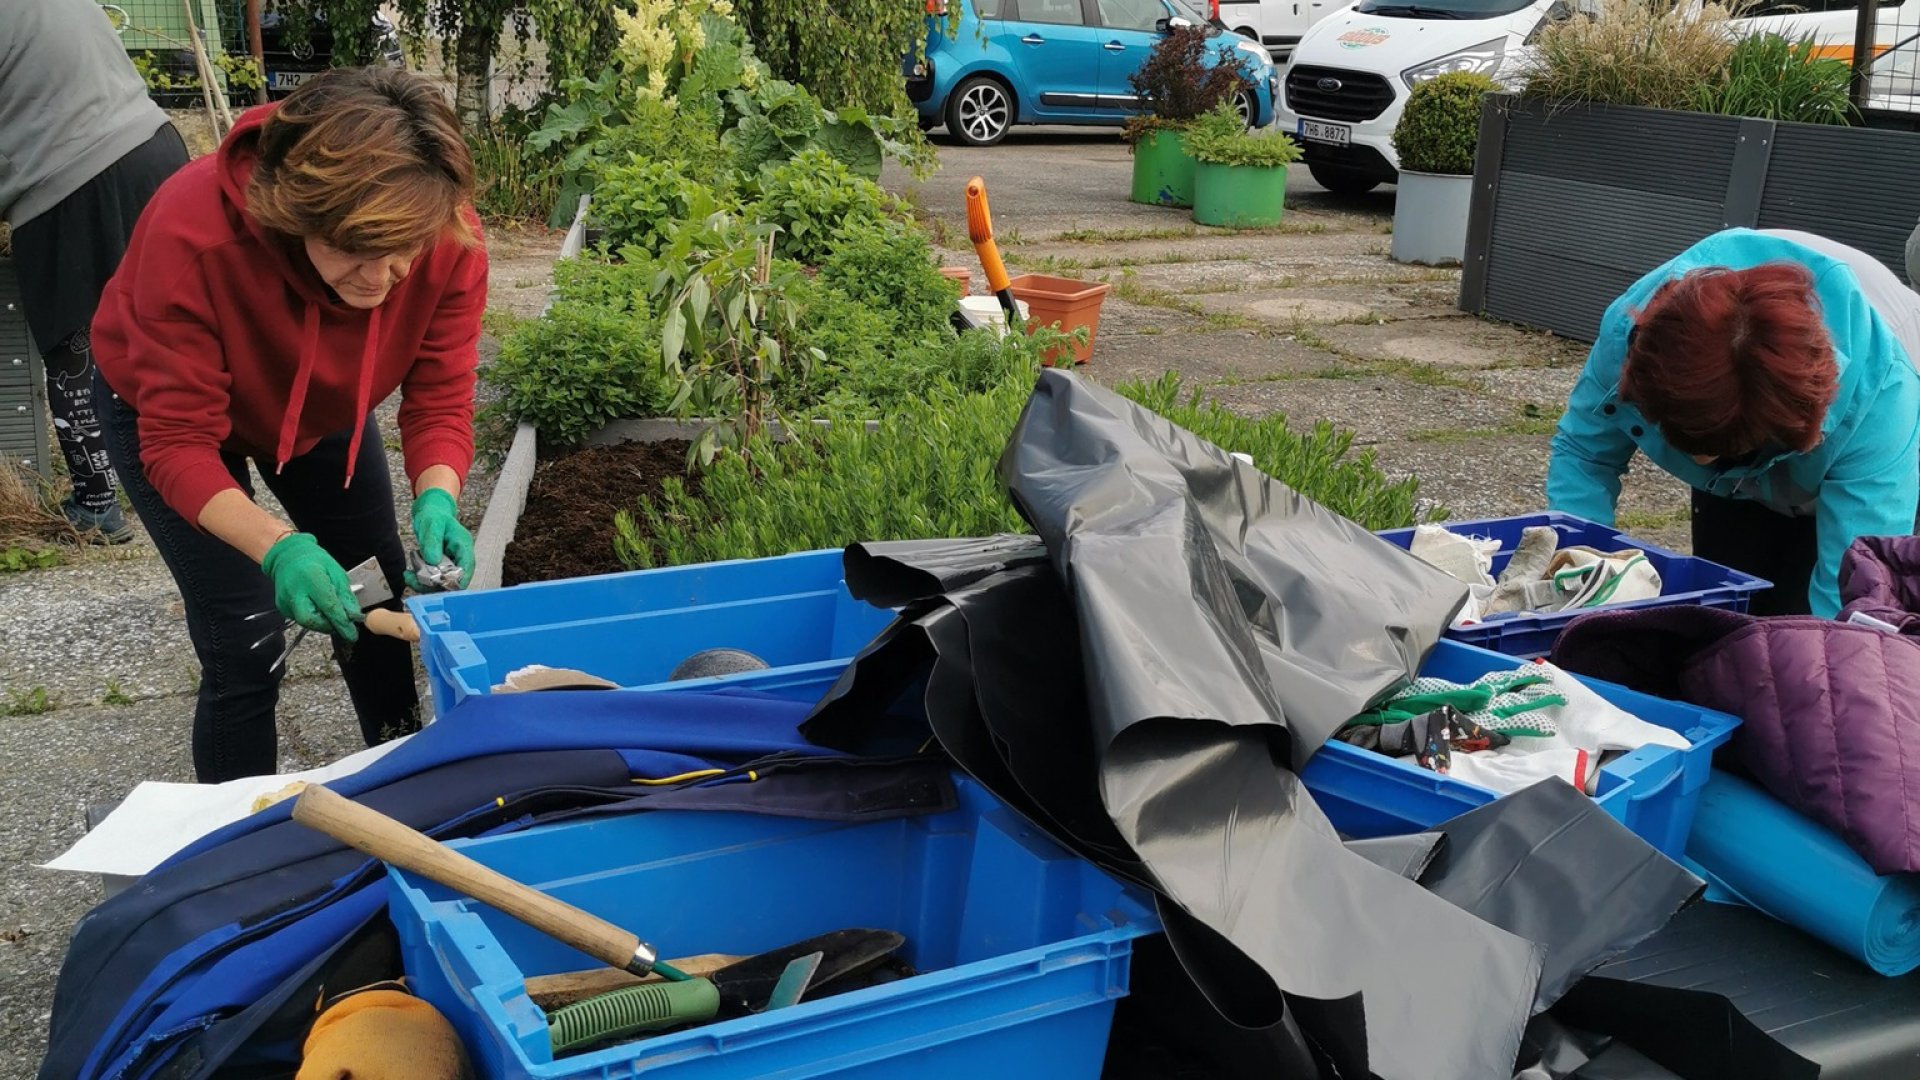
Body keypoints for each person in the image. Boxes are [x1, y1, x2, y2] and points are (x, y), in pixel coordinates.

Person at [92, 66, 486, 782]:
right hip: (169, 415)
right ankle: (238, 854)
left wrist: (438, 491)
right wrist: (277, 548)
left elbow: (440, 390)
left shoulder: (446, 233)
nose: (381, 280)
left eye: (402, 258)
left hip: (321, 412)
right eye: (356, 254)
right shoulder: (192, 231)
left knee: (376, 593)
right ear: (294, 215)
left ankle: (401, 794)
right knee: (246, 641)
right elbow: (178, 443)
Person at [1549, 227, 1920, 619]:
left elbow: (1856, 588)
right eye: (1690, 445)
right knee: (1729, 614)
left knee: (1807, 628)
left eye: (1724, 450)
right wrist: (1586, 572)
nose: (1703, 463)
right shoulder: (1641, 339)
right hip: (1744, 420)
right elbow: (1585, 455)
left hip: (1860, 437)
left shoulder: (1884, 398)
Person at [0, 0, 191, 541]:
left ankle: (97, 505)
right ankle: (191, 477)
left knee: (73, 345)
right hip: (155, 146)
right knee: (168, 324)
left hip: (66, 176)